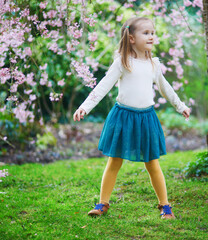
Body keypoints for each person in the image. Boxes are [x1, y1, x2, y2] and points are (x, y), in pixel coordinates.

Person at [73, 17, 191, 219]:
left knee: (152, 164)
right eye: (146, 33)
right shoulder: (122, 62)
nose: (151, 36)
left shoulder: (154, 64)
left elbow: (166, 89)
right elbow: (103, 86)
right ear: (131, 38)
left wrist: (180, 106)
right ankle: (102, 203)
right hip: (123, 118)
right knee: (114, 161)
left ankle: (165, 206)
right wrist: (85, 107)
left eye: (153, 32)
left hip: (146, 119)